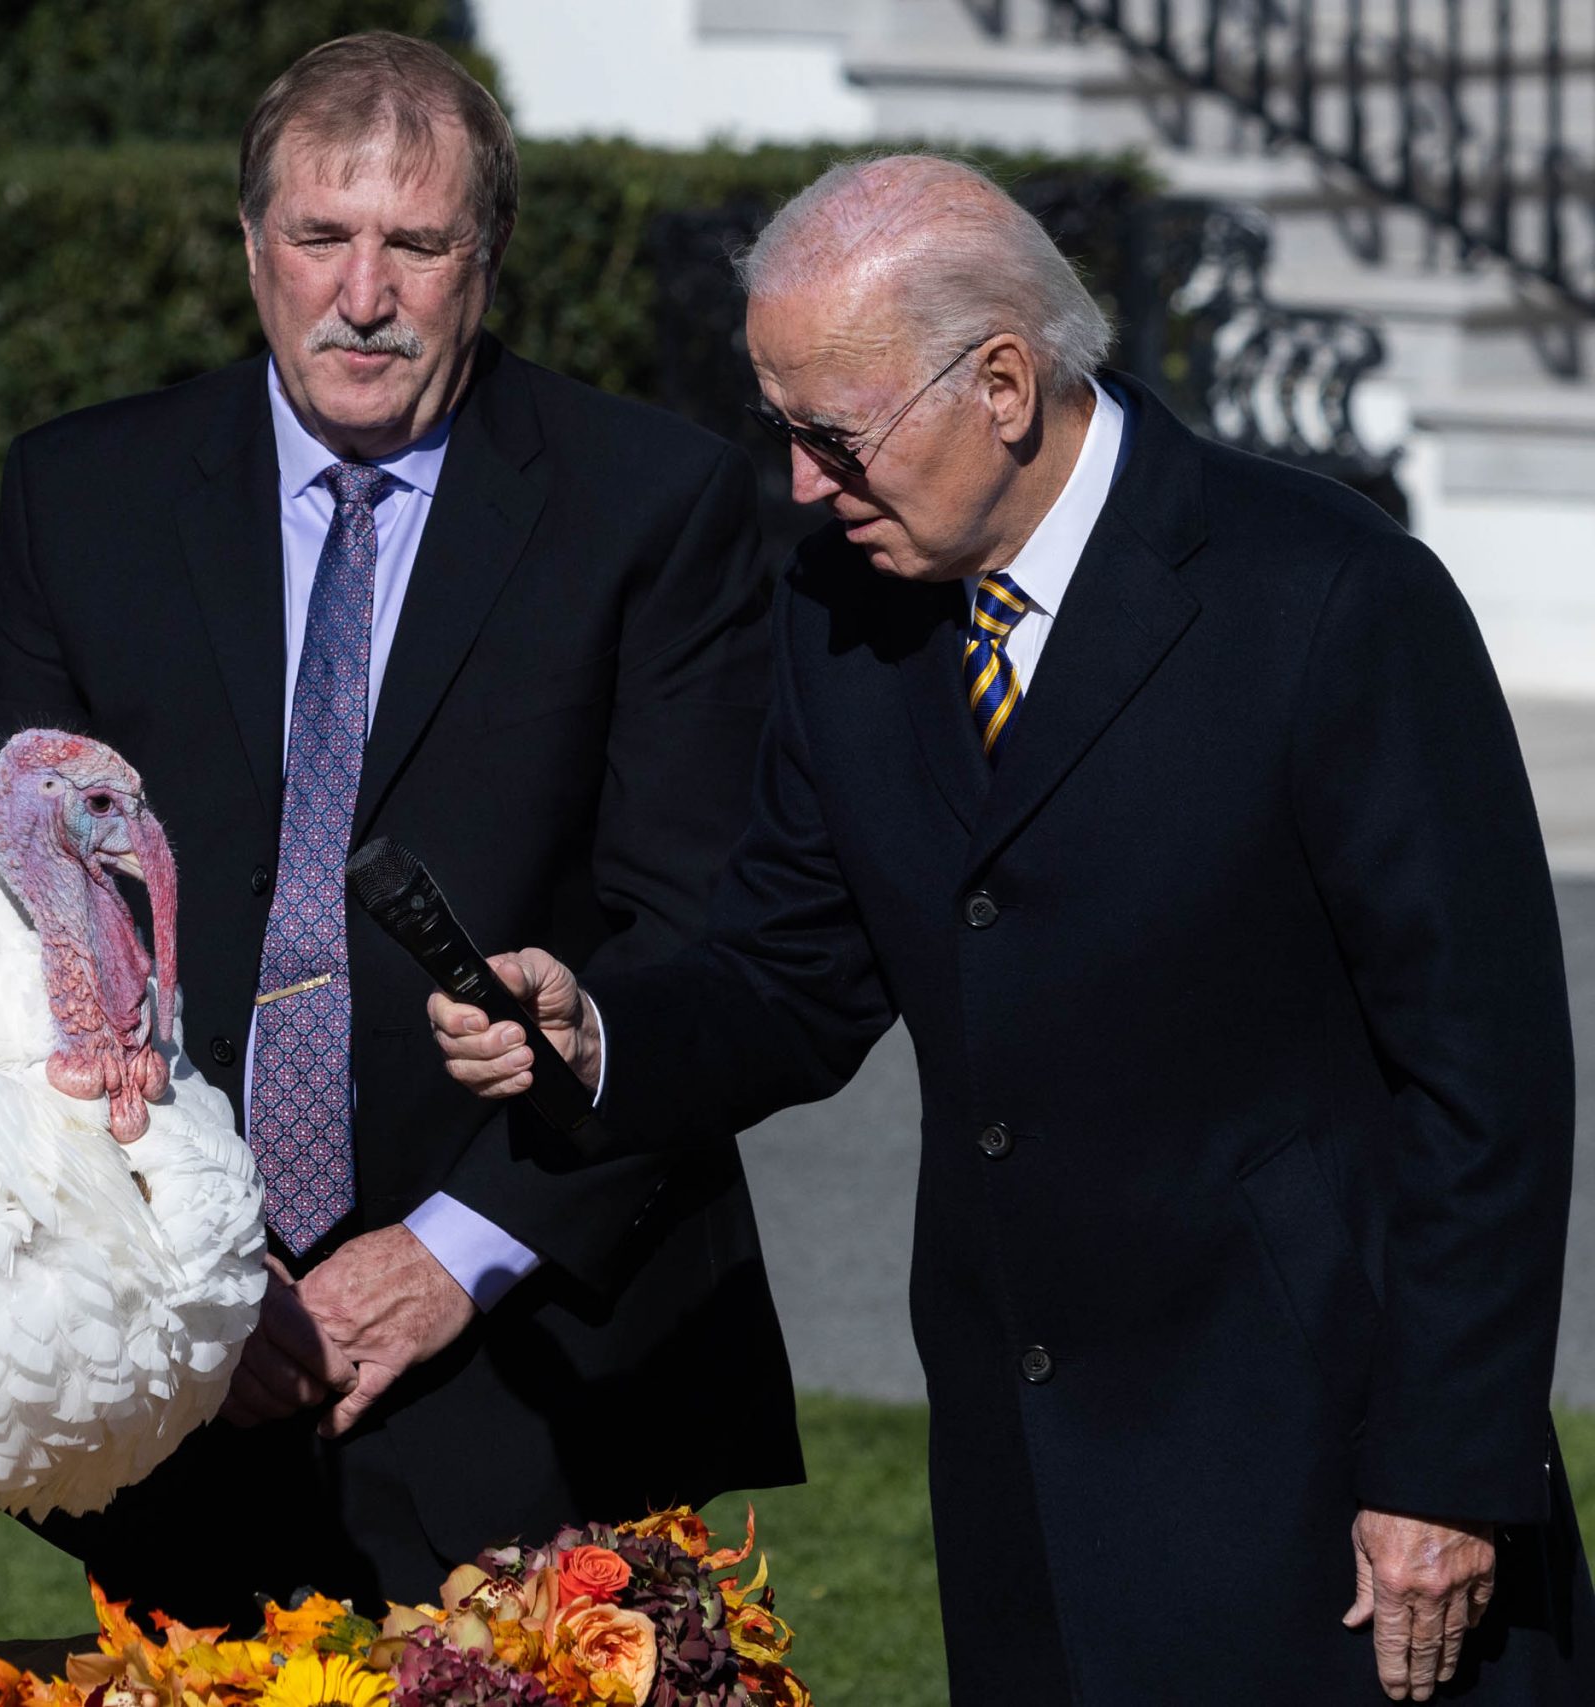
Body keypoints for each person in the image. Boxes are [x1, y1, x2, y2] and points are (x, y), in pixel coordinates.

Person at [431, 153, 1595, 1704]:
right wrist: (599, 1034)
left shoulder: (1326, 600)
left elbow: (1489, 1080)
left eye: (833, 436)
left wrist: (1447, 1471)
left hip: (1323, 1480)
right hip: (1022, 1478)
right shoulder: (845, 606)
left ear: (1001, 382)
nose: (799, 483)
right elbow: (791, 968)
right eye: (777, 430)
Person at [0, 30, 799, 1621]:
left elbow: (704, 947)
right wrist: (186, 1252)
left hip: (545, 1359)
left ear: (486, 263)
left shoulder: (651, 507)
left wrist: (455, 1253)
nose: (364, 293)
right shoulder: (84, 500)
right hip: (178, 1355)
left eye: (416, 244)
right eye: (321, 238)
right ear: (252, 249)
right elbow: (9, 918)